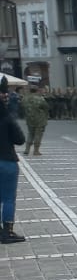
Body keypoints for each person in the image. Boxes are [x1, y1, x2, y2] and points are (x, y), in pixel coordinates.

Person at [1, 79, 26, 243]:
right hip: (6, 161)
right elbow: (20, 139)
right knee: (8, 198)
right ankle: (7, 232)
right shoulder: (7, 117)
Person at [20, 84, 48, 156]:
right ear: (37, 90)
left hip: (29, 119)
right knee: (38, 134)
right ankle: (36, 150)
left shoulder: (25, 99)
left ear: (30, 90)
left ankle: (27, 149)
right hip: (39, 119)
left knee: (30, 134)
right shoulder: (40, 98)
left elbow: (22, 106)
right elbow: (46, 107)